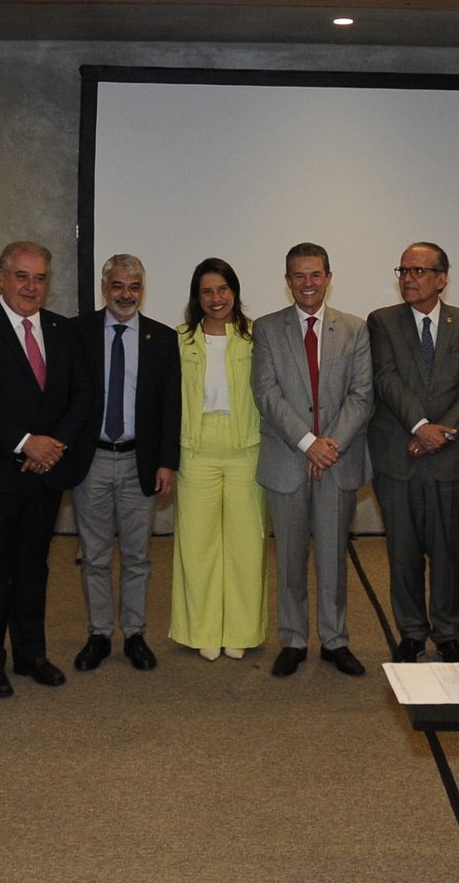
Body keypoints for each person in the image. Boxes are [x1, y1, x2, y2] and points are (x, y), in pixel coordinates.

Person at [0, 241, 92, 698]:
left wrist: (54, 446)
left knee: (33, 567)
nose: (31, 287)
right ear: (1, 277)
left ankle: (31, 653)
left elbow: (81, 395)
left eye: (40, 278)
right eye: (22, 276)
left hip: (46, 474)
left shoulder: (63, 330)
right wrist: (25, 442)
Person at [253, 243, 373, 678]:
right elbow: (266, 393)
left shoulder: (355, 329)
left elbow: (362, 395)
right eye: (299, 275)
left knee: (332, 557)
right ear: (288, 281)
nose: (308, 283)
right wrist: (308, 444)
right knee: (289, 558)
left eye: (315, 274)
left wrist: (328, 446)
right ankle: (293, 639)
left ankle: (335, 639)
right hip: (288, 459)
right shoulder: (267, 329)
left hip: (337, 461)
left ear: (328, 277)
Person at [368, 242, 459, 663]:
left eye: (418, 271)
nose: (408, 278)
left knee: (448, 551)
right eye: (403, 271)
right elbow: (386, 379)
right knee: (402, 551)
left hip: (451, 458)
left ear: (442, 279)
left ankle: (448, 632)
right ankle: (412, 632)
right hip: (398, 455)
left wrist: (442, 432)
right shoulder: (382, 321)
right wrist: (421, 427)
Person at [67, 254, 180, 672]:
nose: (126, 295)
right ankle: (99, 634)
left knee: (137, 557)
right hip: (91, 459)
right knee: (95, 556)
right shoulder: (77, 333)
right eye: (118, 286)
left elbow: (171, 406)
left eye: (134, 287)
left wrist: (167, 462)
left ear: (142, 291)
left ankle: (134, 634)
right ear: (104, 288)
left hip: (139, 461)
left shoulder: (162, 339)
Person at [168, 259, 271, 661]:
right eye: (207, 291)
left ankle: (241, 631)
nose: (216, 298)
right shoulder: (180, 339)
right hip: (196, 449)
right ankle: (203, 631)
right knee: (197, 544)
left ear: (235, 292)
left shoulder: (256, 337)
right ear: (197, 297)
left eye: (223, 289)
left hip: (247, 447)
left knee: (246, 546)